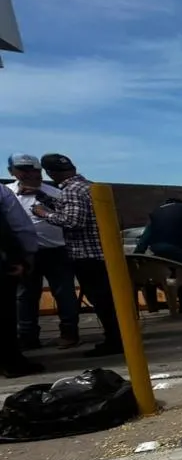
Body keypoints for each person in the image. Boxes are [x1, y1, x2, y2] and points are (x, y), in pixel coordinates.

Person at [31, 154, 123, 357]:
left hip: (86, 255)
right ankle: (119, 338)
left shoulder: (70, 190)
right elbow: (76, 211)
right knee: (108, 299)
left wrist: (43, 214)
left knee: (101, 301)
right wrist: (45, 199)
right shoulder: (87, 186)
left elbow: (73, 221)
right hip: (101, 253)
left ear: (50, 173)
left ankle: (115, 340)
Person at [6, 153, 79, 349]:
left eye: (35, 169)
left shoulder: (55, 192)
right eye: (24, 169)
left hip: (55, 250)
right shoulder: (7, 193)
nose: (31, 174)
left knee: (64, 293)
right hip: (24, 253)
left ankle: (69, 333)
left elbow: (69, 218)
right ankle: (28, 337)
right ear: (12, 172)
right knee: (25, 296)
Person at [0, 184, 41, 377]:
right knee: (4, 315)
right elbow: (19, 226)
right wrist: (22, 257)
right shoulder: (2, 192)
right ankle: (11, 362)